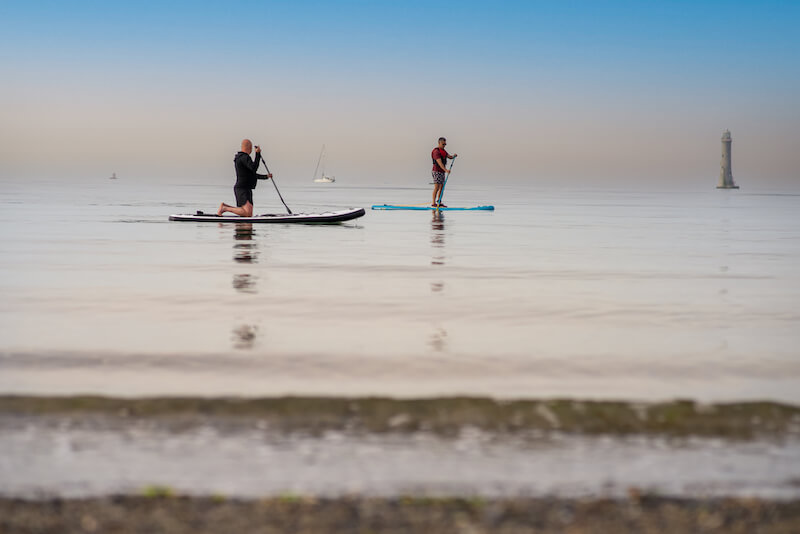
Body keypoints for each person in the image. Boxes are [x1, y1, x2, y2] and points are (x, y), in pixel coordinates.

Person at [217, 139, 272, 217]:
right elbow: (254, 168)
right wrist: (258, 154)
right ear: (249, 147)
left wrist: (266, 176)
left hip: (246, 188)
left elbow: (252, 174)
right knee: (247, 213)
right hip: (242, 188)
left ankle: (225, 207)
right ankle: (224, 208)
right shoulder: (244, 157)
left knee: (248, 214)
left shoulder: (242, 158)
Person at [431, 137, 457, 207]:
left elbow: (449, 157)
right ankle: (433, 203)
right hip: (436, 171)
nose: (444, 145)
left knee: (442, 187)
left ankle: (439, 202)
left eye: (445, 144)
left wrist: (453, 156)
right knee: (437, 187)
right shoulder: (436, 152)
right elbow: (439, 163)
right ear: (439, 143)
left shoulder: (443, 151)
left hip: (442, 171)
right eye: (443, 144)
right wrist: (446, 170)